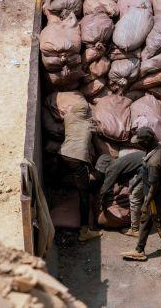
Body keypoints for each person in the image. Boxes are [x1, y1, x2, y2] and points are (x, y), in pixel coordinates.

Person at [122, 127, 161, 262]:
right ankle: (139, 250)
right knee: (145, 221)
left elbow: (154, 185)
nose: (138, 143)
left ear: (146, 142)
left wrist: (146, 203)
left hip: (155, 197)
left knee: (160, 224)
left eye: (140, 141)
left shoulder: (154, 162)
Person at [59, 102, 101, 243]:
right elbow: (99, 133)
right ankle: (84, 231)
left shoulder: (68, 118)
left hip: (63, 154)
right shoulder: (89, 124)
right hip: (77, 158)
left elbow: (66, 110)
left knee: (60, 177)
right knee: (84, 194)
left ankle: (58, 197)